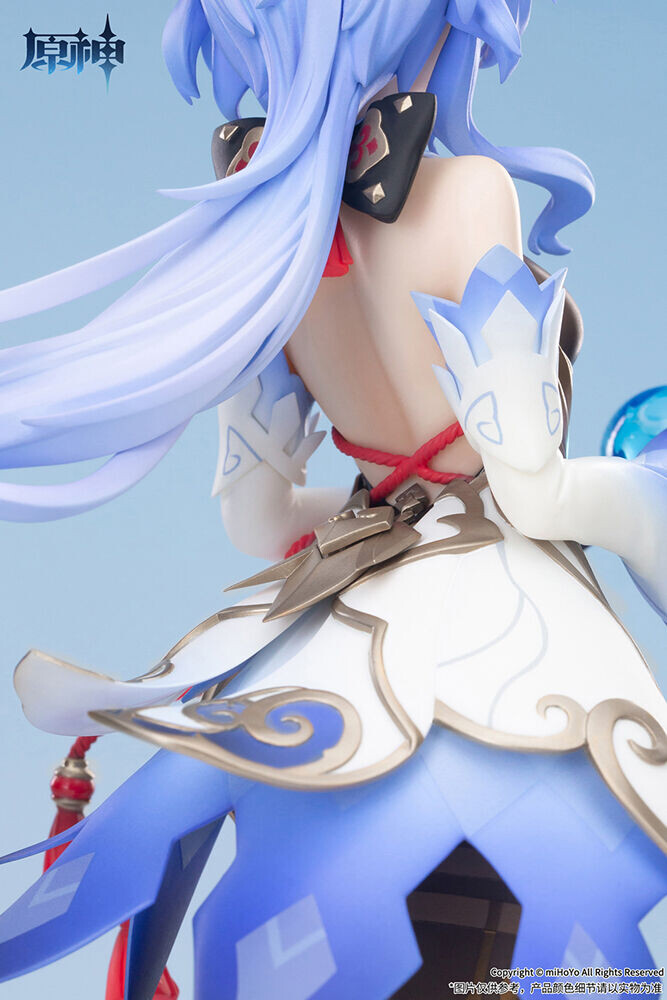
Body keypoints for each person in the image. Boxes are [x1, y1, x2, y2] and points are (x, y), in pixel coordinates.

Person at [0, 2, 665, 998]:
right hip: (508, 622)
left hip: (338, 615)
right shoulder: (469, 190)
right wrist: (643, 499)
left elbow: (257, 521)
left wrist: (373, 517)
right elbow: (529, 483)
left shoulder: (266, 233)